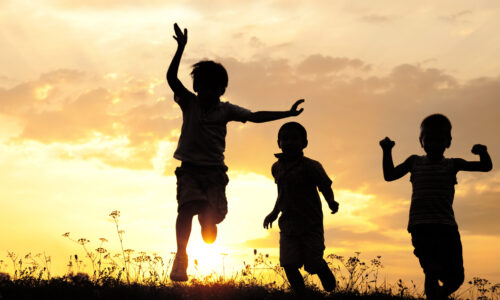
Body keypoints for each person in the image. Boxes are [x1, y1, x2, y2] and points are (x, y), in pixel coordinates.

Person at [167, 23, 305, 282]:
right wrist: (180, 49)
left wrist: (287, 113)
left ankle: (208, 220)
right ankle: (181, 256)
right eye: (203, 87)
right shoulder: (190, 103)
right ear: (196, 88)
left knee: (211, 223)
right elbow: (172, 80)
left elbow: (255, 116)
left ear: (221, 90)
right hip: (189, 170)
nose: (207, 92)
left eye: (213, 88)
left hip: (215, 174)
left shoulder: (226, 110)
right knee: (185, 209)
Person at [379, 114, 492, 299]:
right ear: (421, 142)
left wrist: (483, 151)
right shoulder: (414, 162)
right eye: (429, 139)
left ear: (448, 142)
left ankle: (438, 296)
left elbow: (485, 167)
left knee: (456, 278)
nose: (434, 144)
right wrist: (386, 150)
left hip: (447, 227)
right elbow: (389, 175)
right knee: (432, 270)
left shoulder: (453, 164)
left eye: (439, 140)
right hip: (421, 226)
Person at [263, 122, 338, 299]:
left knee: (312, 264)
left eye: (294, 138)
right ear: (279, 143)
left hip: (310, 224)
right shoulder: (277, 167)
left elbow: (325, 186)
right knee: (288, 264)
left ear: (304, 143)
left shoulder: (311, 166)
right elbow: (281, 193)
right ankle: (301, 294)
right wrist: (274, 212)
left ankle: (321, 267)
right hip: (288, 224)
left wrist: (331, 201)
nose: (289, 142)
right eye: (285, 138)